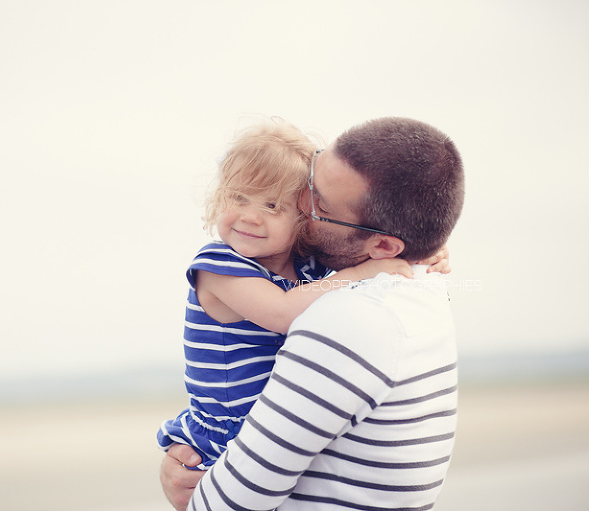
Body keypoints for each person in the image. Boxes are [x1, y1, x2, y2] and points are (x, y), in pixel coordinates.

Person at [160, 117, 465, 511]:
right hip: (227, 426)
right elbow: (284, 312)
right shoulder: (219, 265)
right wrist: (365, 269)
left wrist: (420, 252)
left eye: (275, 205)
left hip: (253, 432)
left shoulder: (328, 289)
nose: (251, 217)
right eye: (237, 198)